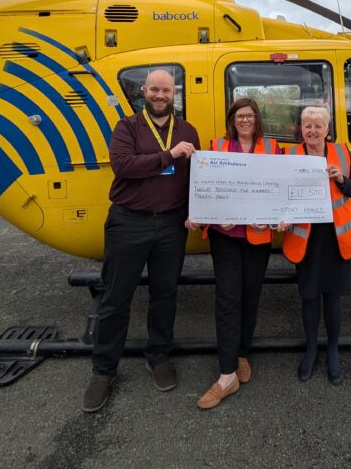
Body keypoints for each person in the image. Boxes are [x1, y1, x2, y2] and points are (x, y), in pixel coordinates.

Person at [82, 69, 200, 413]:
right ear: (144, 92)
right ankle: (103, 371)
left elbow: (197, 177)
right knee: (115, 299)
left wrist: (197, 208)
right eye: (155, 90)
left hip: (171, 226)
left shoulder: (188, 131)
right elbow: (123, 166)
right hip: (129, 222)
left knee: (165, 295)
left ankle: (158, 357)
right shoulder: (127, 127)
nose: (160, 95)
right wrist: (170, 155)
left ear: (173, 93)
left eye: (166, 90)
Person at [194, 98, 281, 410]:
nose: (245, 120)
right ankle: (226, 373)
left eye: (250, 115)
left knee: (250, 296)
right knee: (228, 299)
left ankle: (242, 352)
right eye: (240, 115)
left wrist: (276, 217)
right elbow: (206, 188)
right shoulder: (217, 145)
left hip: (257, 237)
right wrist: (216, 216)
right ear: (232, 119)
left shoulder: (272, 148)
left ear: (257, 119)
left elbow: (278, 189)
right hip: (226, 237)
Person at [283, 105, 351, 385]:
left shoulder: (341, 152)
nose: (312, 130)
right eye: (307, 125)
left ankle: (332, 350)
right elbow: (280, 193)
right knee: (309, 297)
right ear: (301, 129)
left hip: (336, 237)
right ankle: (311, 349)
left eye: (318, 125)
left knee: (333, 297)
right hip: (306, 238)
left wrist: (340, 179)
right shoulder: (290, 155)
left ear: (328, 129)